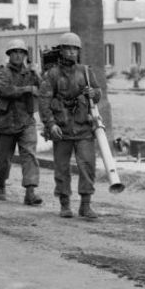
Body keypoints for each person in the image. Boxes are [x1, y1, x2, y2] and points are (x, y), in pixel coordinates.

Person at [37, 32, 102, 220]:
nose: (72, 52)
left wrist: (93, 93)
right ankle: (65, 204)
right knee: (62, 168)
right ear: (61, 51)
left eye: (75, 48)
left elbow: (98, 93)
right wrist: (50, 125)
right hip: (62, 129)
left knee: (87, 166)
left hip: (83, 127)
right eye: (68, 48)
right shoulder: (52, 74)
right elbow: (44, 102)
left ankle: (86, 205)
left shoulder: (86, 72)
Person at [0, 39, 42, 205]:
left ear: (25, 55)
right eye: (14, 52)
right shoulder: (3, 71)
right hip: (5, 121)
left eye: (21, 52)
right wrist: (26, 89)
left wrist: (37, 74)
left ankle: (30, 191)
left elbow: (44, 89)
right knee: (4, 159)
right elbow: (2, 89)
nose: (18, 55)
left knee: (30, 155)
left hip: (26, 119)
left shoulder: (30, 72)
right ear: (9, 55)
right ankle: (1, 183)